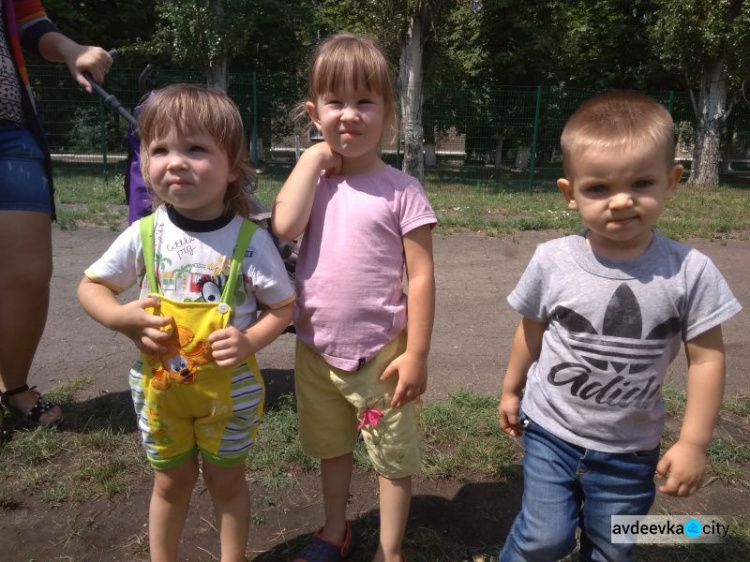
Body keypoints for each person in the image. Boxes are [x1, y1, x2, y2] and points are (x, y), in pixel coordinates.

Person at [497, 91, 742, 561]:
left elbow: (707, 359)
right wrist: (511, 389)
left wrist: (693, 442)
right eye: (598, 188)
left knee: (612, 547)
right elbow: (531, 329)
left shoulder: (690, 271)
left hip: (630, 449)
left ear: (672, 182)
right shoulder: (553, 261)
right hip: (551, 431)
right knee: (542, 538)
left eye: (642, 182)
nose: (621, 201)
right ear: (570, 194)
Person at [77, 84, 295, 562]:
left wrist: (249, 340)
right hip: (161, 393)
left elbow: (284, 308)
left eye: (195, 148)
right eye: (161, 149)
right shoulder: (143, 236)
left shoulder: (251, 243)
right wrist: (120, 317)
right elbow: (90, 287)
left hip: (229, 395)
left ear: (233, 166)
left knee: (227, 481)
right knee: (170, 482)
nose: (175, 161)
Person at [272, 33, 436, 562]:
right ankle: (334, 529)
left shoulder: (401, 189)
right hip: (316, 351)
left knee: (392, 459)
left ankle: (390, 551)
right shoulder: (315, 183)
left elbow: (424, 277)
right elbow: (284, 224)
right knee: (332, 449)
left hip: (382, 357)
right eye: (335, 102)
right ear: (314, 112)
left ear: (388, 112)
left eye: (365, 101)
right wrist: (314, 157)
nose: (350, 115)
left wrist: (417, 354)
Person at [0, 0, 112, 430]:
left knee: (28, 272)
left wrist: (70, 48)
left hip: (10, 126)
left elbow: (28, 20)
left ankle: (14, 388)